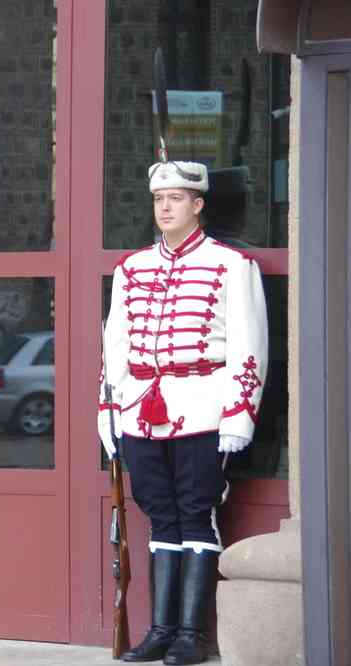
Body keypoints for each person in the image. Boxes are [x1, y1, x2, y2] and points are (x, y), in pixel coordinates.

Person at [99, 161, 268, 664]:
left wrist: (240, 412)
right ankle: (161, 630)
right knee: (159, 518)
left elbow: (248, 344)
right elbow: (115, 348)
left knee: (196, 514)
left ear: (198, 205)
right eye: (158, 199)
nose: (165, 207)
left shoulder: (231, 265)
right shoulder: (132, 269)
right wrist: (109, 413)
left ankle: (192, 634)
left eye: (176, 198)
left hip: (203, 407)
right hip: (140, 412)